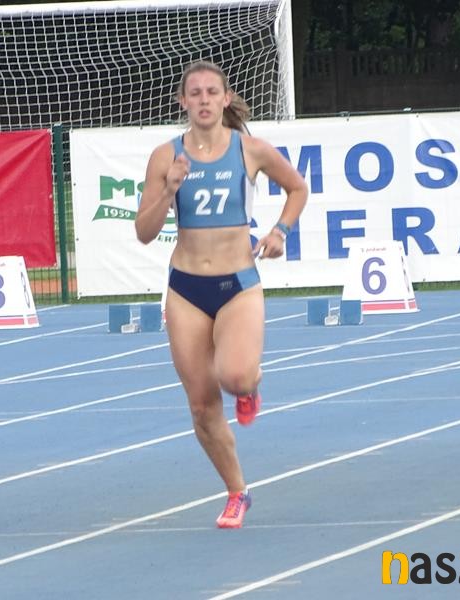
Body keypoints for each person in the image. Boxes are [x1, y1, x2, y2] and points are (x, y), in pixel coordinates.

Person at [134, 61, 308, 528]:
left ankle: (248, 385)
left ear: (226, 99)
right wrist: (168, 190)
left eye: (212, 92)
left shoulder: (251, 150)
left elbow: (297, 188)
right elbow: (144, 232)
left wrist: (280, 231)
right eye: (195, 93)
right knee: (201, 404)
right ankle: (237, 491)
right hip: (186, 289)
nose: (204, 100)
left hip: (237, 285)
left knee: (234, 376)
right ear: (183, 101)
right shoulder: (165, 157)